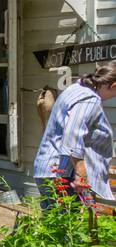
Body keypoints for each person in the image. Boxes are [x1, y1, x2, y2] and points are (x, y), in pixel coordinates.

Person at [33, 63, 116, 207]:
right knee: (70, 226)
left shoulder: (76, 88)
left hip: (48, 169)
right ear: (114, 85)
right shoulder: (89, 98)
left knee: (54, 226)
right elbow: (73, 137)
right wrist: (81, 175)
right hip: (63, 175)